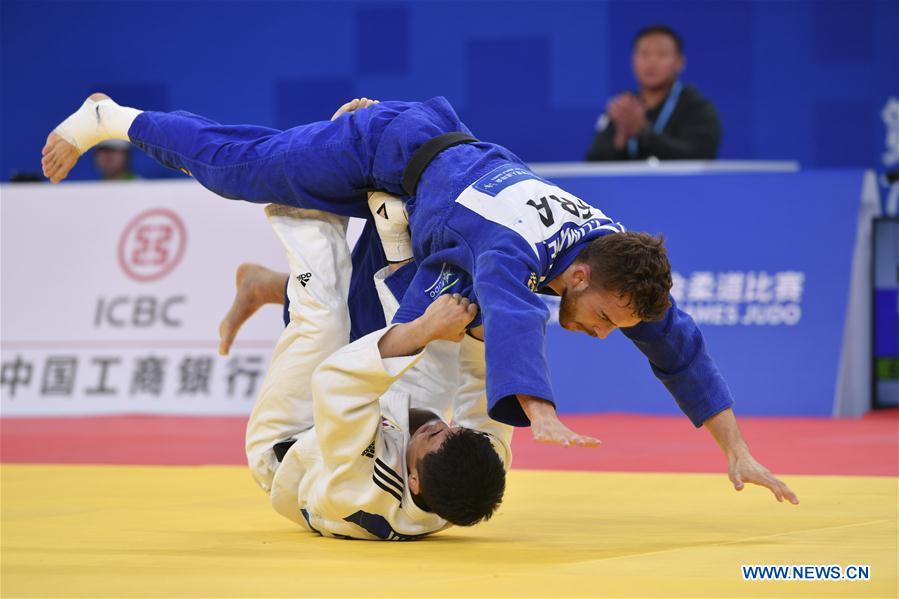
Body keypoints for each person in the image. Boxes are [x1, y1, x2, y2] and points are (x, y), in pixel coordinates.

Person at [42, 93, 798, 504]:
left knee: (384, 328)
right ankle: (112, 117)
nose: (602, 334)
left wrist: (735, 448)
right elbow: (511, 316)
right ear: (576, 278)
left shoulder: (615, 258)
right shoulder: (514, 255)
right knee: (241, 166)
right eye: (600, 319)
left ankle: (274, 285)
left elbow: (676, 341)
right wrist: (540, 413)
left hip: (435, 180)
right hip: (386, 154)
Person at [245, 203, 511, 540]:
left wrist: (425, 328)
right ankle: (395, 235)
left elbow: (335, 382)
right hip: (383, 427)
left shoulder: (362, 479)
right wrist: (479, 332)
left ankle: (298, 200)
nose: (435, 425)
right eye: (450, 429)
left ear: (412, 481)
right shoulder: (476, 469)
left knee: (325, 319)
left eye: (432, 435)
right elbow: (483, 383)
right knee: (450, 347)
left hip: (297, 439)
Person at [585, 25, 722, 161]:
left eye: (661, 54)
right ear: (633, 61)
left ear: (680, 62)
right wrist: (621, 139)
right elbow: (593, 164)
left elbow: (700, 158)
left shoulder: (697, 108)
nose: (651, 62)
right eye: (644, 54)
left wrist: (643, 133)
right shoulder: (624, 107)